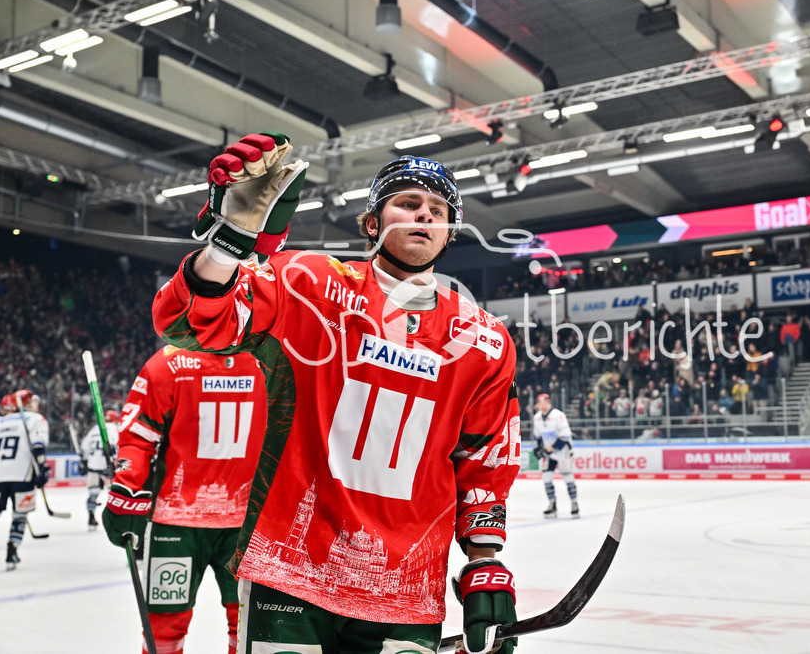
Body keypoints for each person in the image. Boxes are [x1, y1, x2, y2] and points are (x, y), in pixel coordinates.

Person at [146, 134, 521, 654]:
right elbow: (189, 323)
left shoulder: (485, 340)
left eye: (438, 209)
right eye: (408, 203)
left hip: (405, 587)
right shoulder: (310, 284)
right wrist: (227, 243)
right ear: (372, 223)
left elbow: (483, 462)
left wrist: (485, 563)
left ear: (449, 233)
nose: (424, 215)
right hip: (289, 569)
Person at [101, 347, 267, 654]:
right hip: (231, 522)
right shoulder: (271, 356)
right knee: (245, 626)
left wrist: (125, 490)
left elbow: (136, 439)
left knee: (242, 624)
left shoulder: (168, 361)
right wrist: (126, 487)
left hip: (192, 524)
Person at [0, 390, 50, 570]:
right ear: (27, 403)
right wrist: (41, 470)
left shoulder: (0, 421)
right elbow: (38, 447)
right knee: (20, 515)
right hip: (22, 476)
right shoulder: (36, 419)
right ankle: (12, 551)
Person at [532, 393, 579, 519]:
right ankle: (552, 504)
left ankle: (574, 503)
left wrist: (551, 448)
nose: (541, 405)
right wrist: (538, 448)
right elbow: (538, 437)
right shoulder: (537, 418)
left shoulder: (558, 415)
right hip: (549, 453)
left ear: (548, 402)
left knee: (568, 477)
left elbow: (565, 436)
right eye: (539, 402)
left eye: (543, 402)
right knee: (546, 479)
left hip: (562, 451)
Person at [79, 410, 120, 529]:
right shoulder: (114, 429)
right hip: (109, 465)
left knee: (93, 493)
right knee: (115, 493)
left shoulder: (94, 429)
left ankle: (91, 517)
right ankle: (115, 519)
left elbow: (83, 448)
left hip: (93, 465)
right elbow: (116, 446)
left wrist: (84, 463)